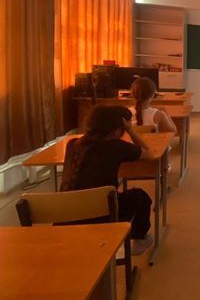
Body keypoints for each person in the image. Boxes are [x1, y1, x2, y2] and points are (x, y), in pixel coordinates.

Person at [61, 105, 154, 255]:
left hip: (66, 214)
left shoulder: (73, 145)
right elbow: (148, 153)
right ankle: (139, 239)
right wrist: (131, 131)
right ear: (118, 130)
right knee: (141, 197)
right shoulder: (116, 146)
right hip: (102, 213)